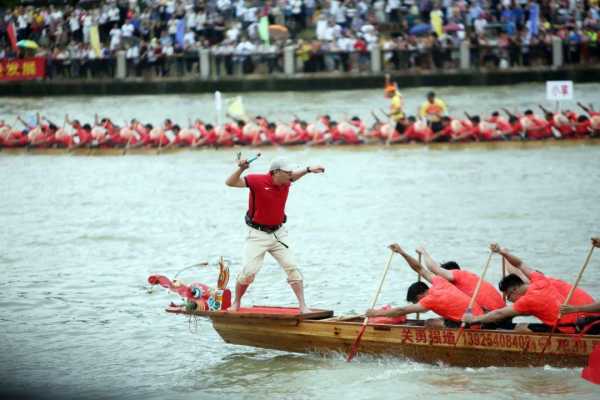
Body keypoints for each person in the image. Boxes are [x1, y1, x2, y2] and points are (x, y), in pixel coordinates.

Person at [225, 156, 325, 314]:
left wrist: (307, 170)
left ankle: (303, 307)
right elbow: (230, 183)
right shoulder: (257, 180)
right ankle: (236, 302)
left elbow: (295, 175)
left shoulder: (285, 181)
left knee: (292, 268)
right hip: (257, 234)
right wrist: (241, 169)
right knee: (249, 272)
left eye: (291, 172)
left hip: (279, 234)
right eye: (288, 172)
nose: (291, 175)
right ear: (275, 172)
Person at [366, 244, 484, 328]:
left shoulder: (430, 300)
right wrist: (402, 252)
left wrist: (375, 313)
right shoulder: (440, 282)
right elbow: (419, 268)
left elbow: (401, 310)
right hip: (482, 318)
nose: (417, 305)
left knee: (429, 324)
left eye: (415, 301)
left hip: (471, 324)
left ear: (420, 295)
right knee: (437, 320)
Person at [416, 246, 505, 312]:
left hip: (491, 316)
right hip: (503, 314)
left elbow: (433, 268)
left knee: (432, 323)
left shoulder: (456, 275)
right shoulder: (469, 278)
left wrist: (423, 252)